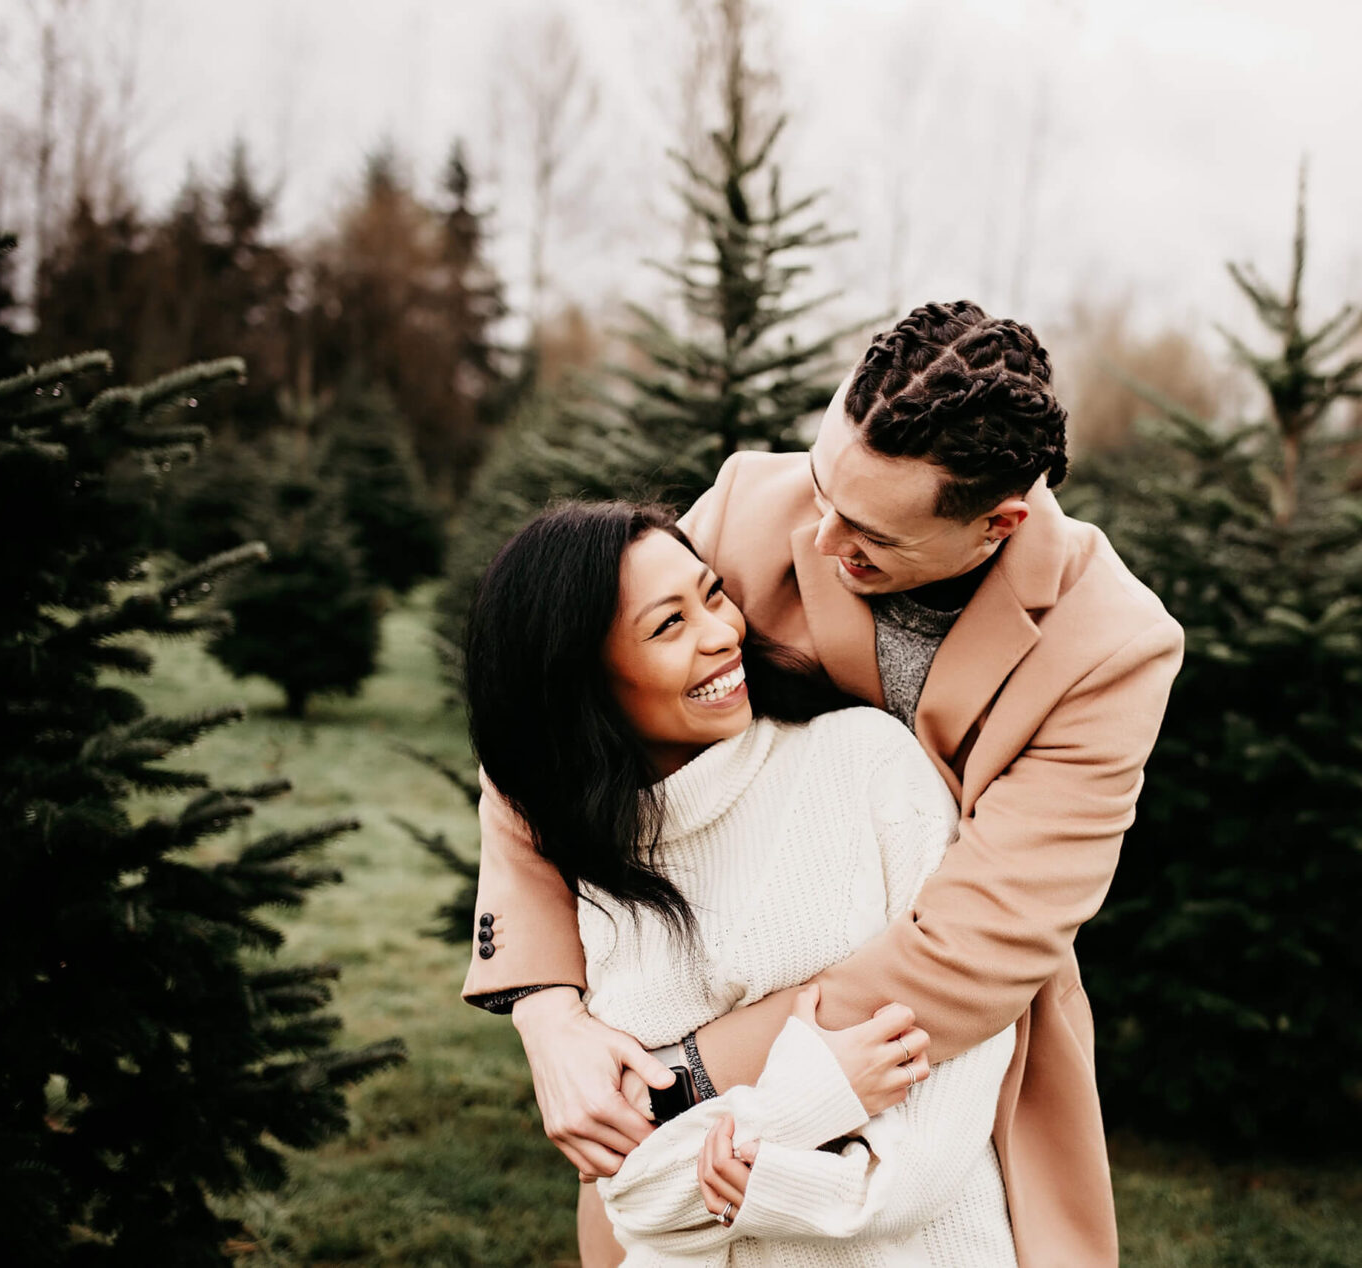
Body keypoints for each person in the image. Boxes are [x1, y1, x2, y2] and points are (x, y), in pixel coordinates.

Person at [464, 301, 1185, 1267]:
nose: (820, 534)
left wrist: (690, 1080)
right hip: (689, 987)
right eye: (821, 485)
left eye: (868, 535)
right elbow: (551, 711)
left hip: (939, 1064)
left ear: (997, 524)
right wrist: (548, 1012)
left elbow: (980, 945)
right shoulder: (758, 506)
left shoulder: (1113, 646)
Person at [466, 501, 1018, 1264]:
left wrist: (737, 1155)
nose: (724, 634)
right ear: (581, 682)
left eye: (715, 593)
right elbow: (635, 1203)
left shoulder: (867, 767)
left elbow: (918, 1167)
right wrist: (825, 1095)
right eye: (668, 626)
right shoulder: (593, 868)